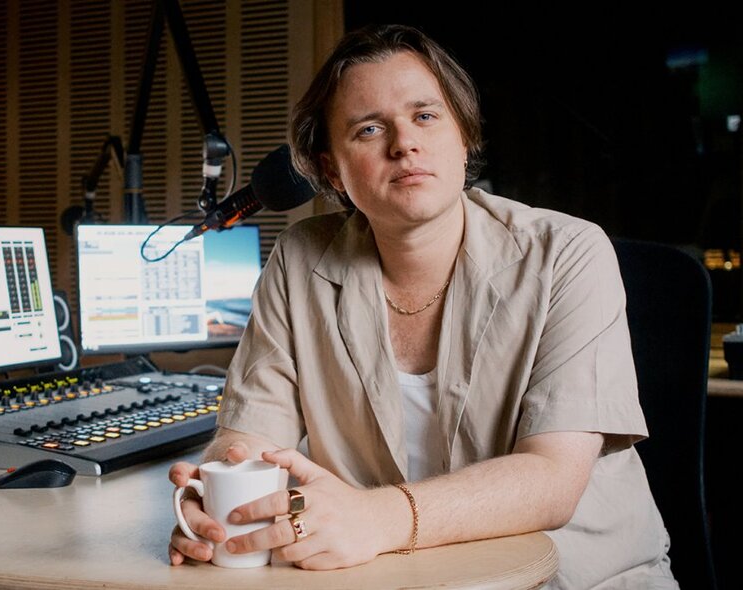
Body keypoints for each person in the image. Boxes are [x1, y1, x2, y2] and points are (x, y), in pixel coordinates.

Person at [169, 23, 678, 588]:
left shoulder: (570, 252)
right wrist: (219, 502)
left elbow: (552, 479)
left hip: (575, 577)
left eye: (426, 116)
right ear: (332, 169)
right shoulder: (297, 261)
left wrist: (378, 517)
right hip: (392, 576)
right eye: (368, 129)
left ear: (464, 137)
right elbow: (252, 438)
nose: (404, 143)